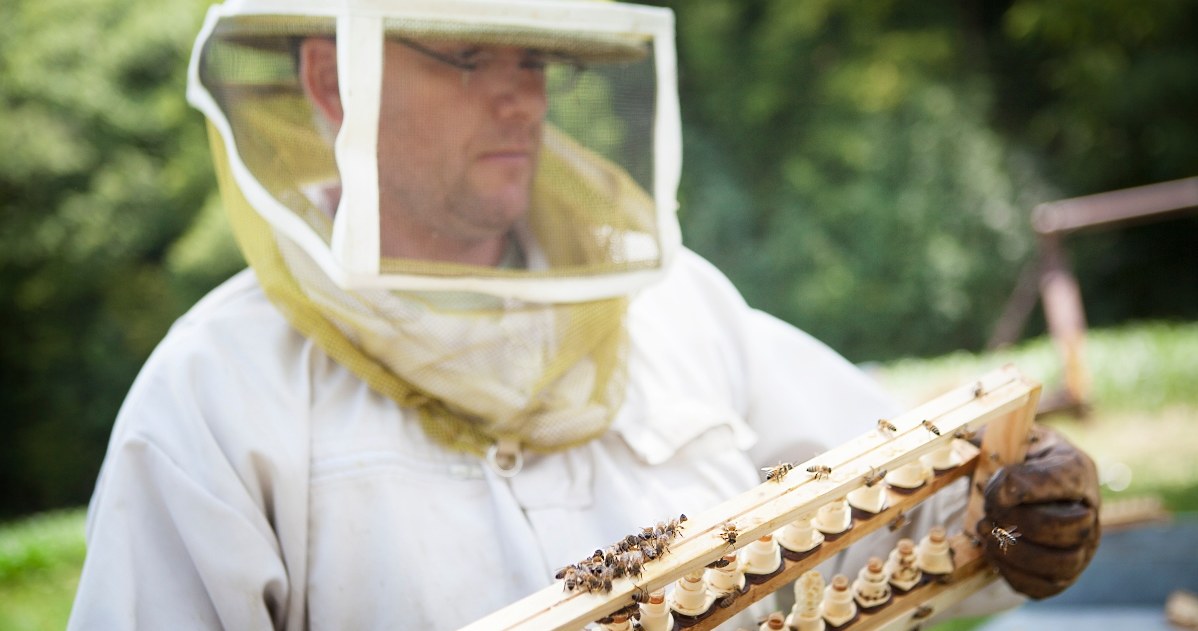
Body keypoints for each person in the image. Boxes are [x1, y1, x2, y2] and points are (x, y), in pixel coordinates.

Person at [68, 1, 1100, 629]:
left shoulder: (672, 300)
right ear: (337, 80)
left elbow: (893, 512)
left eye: (537, 61)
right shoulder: (215, 386)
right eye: (472, 57)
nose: (521, 97)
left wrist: (1009, 514)